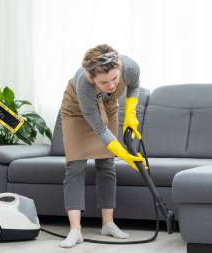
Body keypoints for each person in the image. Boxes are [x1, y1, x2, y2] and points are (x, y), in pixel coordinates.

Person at [59, 44, 145, 248]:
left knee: (107, 164)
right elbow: (99, 129)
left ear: (120, 68)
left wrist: (131, 113)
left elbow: (134, 84)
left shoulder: (128, 66)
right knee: (75, 166)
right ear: (92, 77)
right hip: (77, 112)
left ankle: (108, 223)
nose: (112, 85)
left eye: (115, 78)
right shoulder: (84, 85)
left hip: (108, 106)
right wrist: (123, 154)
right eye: (104, 82)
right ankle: (75, 230)